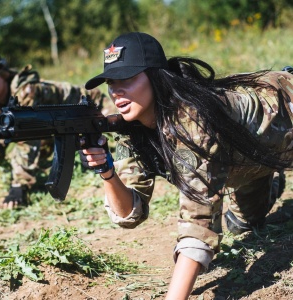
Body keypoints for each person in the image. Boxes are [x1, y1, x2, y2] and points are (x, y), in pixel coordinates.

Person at [79, 32, 293, 299]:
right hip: (245, 163)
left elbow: (198, 227)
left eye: (127, 79)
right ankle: (269, 178)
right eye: (111, 82)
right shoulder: (130, 130)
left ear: (156, 78)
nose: (116, 91)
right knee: (241, 224)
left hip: (286, 112)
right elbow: (130, 214)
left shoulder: (192, 121)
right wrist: (107, 172)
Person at [0, 51, 107, 209]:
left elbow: (27, 138)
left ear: (2, 73)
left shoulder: (25, 90)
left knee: (123, 133)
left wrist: (18, 186)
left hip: (94, 106)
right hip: (58, 125)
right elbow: (0, 141)